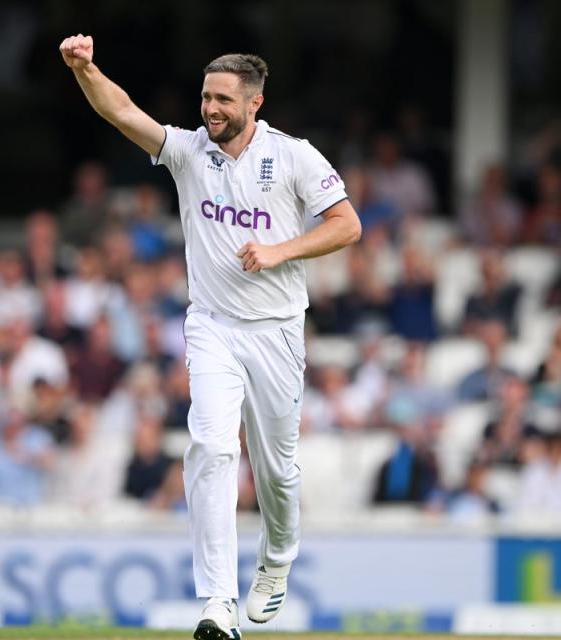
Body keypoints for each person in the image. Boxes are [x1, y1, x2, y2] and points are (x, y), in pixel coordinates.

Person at [60, 35, 361, 639]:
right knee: (211, 449)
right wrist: (85, 69)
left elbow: (346, 225)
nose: (211, 108)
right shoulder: (189, 152)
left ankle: (277, 559)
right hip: (212, 326)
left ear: (255, 103)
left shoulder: (294, 156)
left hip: (276, 330)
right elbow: (121, 111)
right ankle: (217, 602)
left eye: (223, 98)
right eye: (205, 97)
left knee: (275, 470)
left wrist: (280, 250)